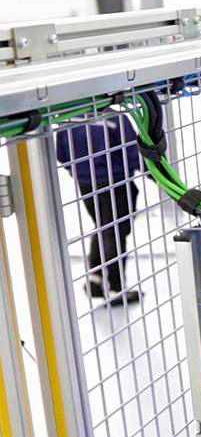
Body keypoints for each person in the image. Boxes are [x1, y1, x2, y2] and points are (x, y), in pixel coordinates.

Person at [54, 114, 143, 306]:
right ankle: (115, 288)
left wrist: (79, 171)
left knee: (103, 227)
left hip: (86, 182)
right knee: (116, 232)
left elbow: (61, 154)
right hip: (116, 181)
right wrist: (157, 176)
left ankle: (96, 279)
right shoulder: (114, 118)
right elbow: (133, 152)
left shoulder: (67, 119)